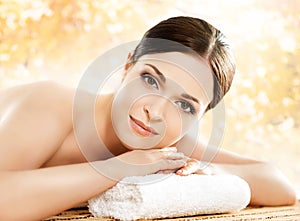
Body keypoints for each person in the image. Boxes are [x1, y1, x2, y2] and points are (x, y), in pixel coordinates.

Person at [0, 16, 296, 221]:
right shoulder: (50, 105)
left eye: (185, 105)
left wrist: (204, 170)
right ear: (129, 64)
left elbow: (280, 186)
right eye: (150, 80)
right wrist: (118, 168)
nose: (155, 112)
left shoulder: (171, 142)